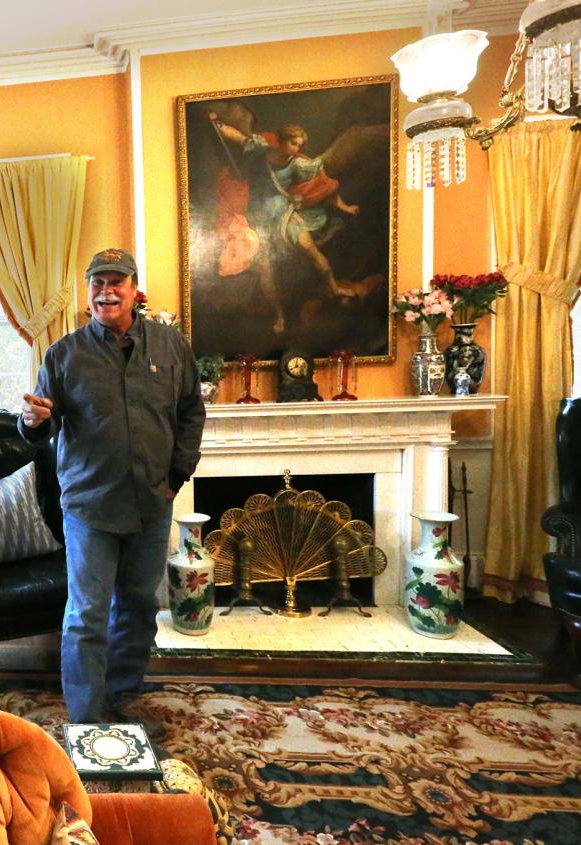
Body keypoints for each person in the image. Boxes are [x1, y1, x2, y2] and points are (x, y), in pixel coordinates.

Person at [19, 248, 205, 739]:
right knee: (87, 612)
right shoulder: (63, 354)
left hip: (151, 501)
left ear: (133, 289)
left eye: (116, 282)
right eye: (97, 283)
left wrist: (176, 476)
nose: (106, 291)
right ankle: (85, 718)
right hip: (90, 506)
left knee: (140, 605)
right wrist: (31, 420)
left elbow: (191, 413)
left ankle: (122, 695)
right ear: (88, 293)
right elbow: (41, 426)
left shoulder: (170, 347)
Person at [208, 113, 360, 334]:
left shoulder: (298, 165)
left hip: (284, 214)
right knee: (266, 269)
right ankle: (279, 315)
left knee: (310, 249)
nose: (297, 149)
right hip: (259, 218)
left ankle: (335, 289)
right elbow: (237, 137)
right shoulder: (260, 150)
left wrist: (344, 207)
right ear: (281, 140)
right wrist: (218, 124)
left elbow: (322, 187)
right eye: (293, 143)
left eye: (300, 145)